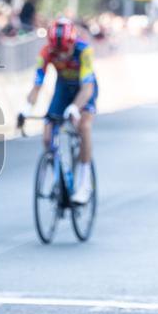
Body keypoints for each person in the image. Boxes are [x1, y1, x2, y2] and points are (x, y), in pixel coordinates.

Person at [21, 17, 97, 204]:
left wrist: (74, 108)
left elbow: (87, 88)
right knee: (47, 136)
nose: (62, 56)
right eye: (58, 52)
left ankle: (84, 182)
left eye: (66, 51)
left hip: (83, 89)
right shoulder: (47, 52)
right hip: (62, 89)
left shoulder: (84, 51)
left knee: (84, 126)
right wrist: (26, 109)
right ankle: (57, 173)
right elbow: (37, 84)